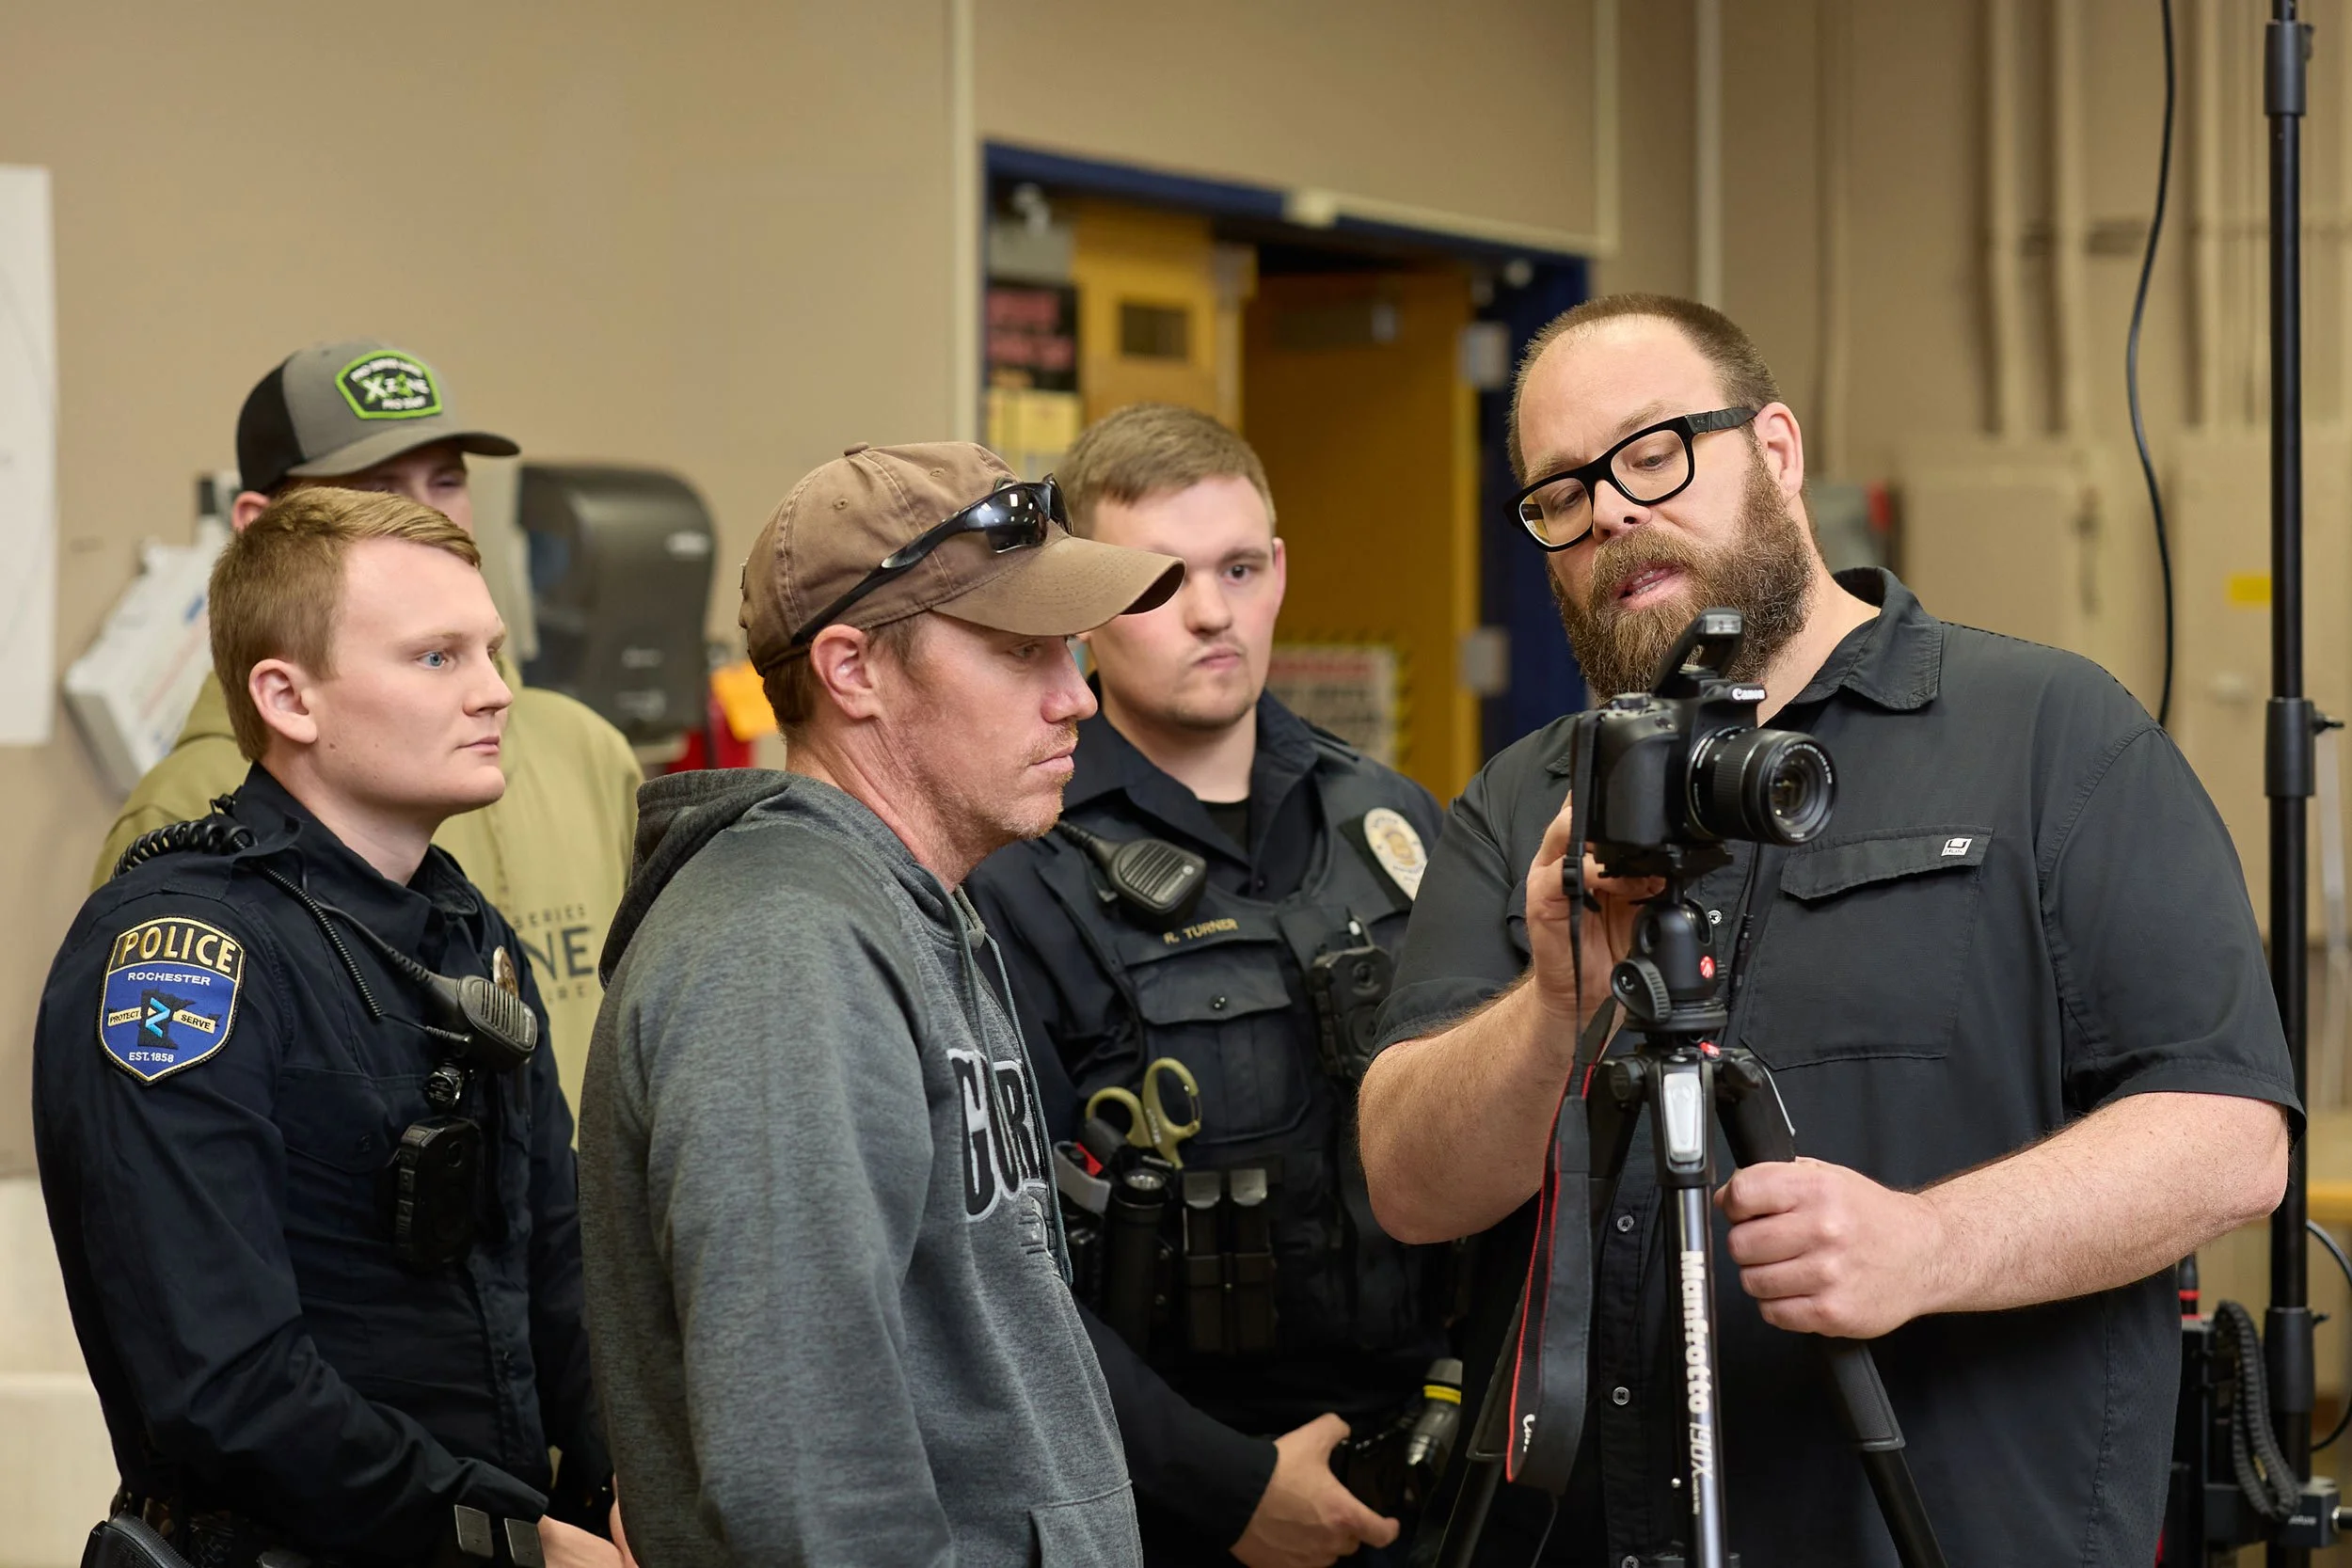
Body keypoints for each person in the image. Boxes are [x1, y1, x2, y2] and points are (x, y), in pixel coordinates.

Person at [1355, 294, 2296, 1567]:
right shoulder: (1528, 799)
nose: (1615, 511)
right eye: (1562, 494)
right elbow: (1412, 1184)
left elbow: (2229, 1138)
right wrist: (1552, 1002)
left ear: (1780, 451)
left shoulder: (2048, 735)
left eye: (1654, 451)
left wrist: (1930, 1243)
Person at [576, 441, 1184, 1565]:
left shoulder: (904, 904)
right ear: (852, 668)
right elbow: (806, 1467)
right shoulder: (780, 943)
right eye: (1019, 651)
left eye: (1072, 650)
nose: (1076, 696)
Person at [35, 488, 621, 1565]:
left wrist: (613, 1479)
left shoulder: (461, 925)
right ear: (287, 696)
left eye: (492, 650)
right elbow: (229, 1382)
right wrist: (513, 1538)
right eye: (438, 658)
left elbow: (555, 1254)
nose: (497, 693)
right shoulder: (182, 951)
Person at [966, 404, 1446, 1568]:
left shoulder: (1390, 819)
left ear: (1277, 570)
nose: (1211, 612)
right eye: (1160, 581)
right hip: (1177, 1500)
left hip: (1429, 1472)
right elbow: (1001, 1260)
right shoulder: (1017, 865)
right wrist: (1227, 1489)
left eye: (1238, 568)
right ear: (1085, 602)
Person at [93, 339, 643, 1110]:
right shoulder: (187, 808)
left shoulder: (585, 748)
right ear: (260, 529)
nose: (426, 514)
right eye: (373, 490)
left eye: (448, 479)